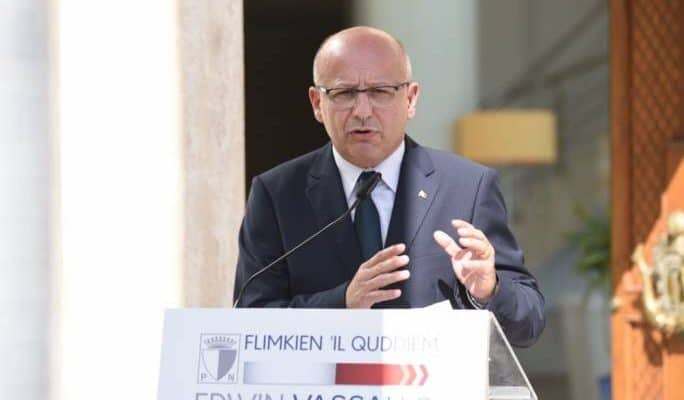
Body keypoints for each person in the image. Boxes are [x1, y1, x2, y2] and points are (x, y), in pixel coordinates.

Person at [234, 26, 544, 347]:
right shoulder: (277, 193)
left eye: (380, 92)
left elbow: (530, 323)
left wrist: (489, 289)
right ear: (316, 103)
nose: (362, 111)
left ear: (410, 99)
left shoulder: (468, 187)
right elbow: (251, 319)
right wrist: (343, 302)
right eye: (344, 93)